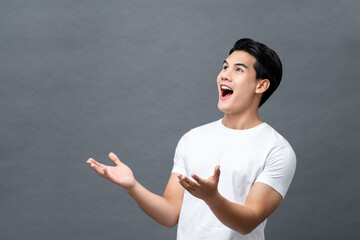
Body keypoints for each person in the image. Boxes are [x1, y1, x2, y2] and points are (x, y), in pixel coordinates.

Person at [86, 38, 296, 240]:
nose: (225, 75)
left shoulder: (276, 150)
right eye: (225, 67)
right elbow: (170, 214)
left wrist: (212, 198)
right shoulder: (193, 139)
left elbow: (247, 222)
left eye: (238, 69)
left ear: (261, 86)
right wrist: (132, 186)